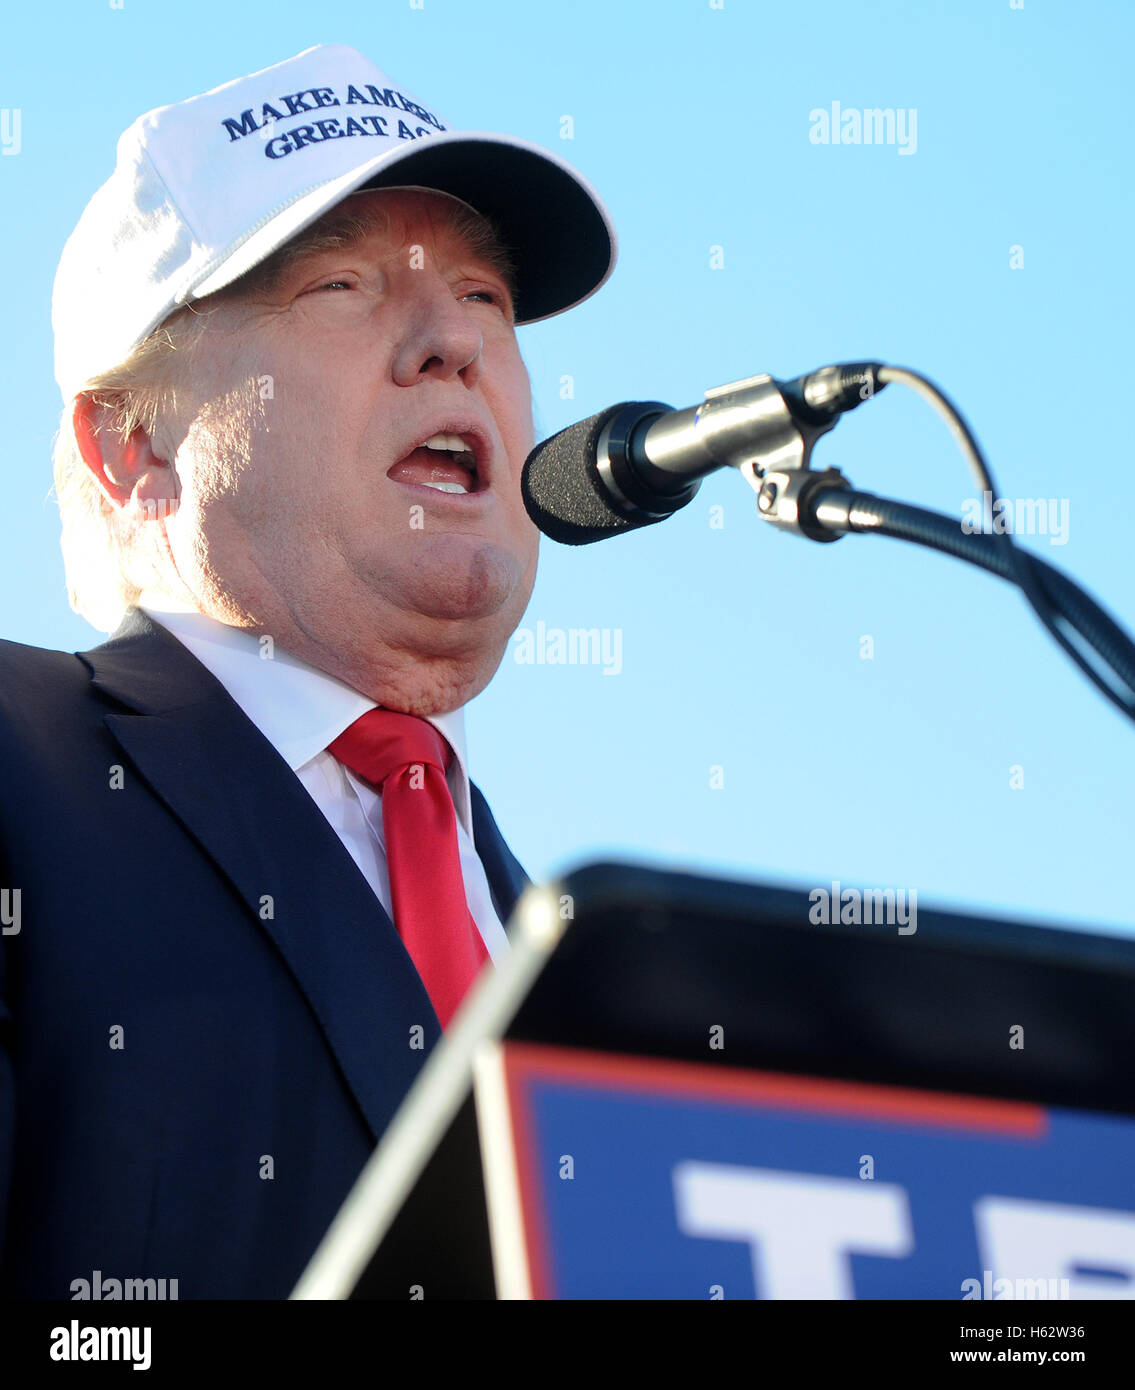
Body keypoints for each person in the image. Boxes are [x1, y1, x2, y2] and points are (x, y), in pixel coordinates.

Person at [0, 42, 615, 1299]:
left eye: (487, 297)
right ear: (133, 443)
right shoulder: (21, 768)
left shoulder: (570, 961)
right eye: (340, 284)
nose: (453, 341)